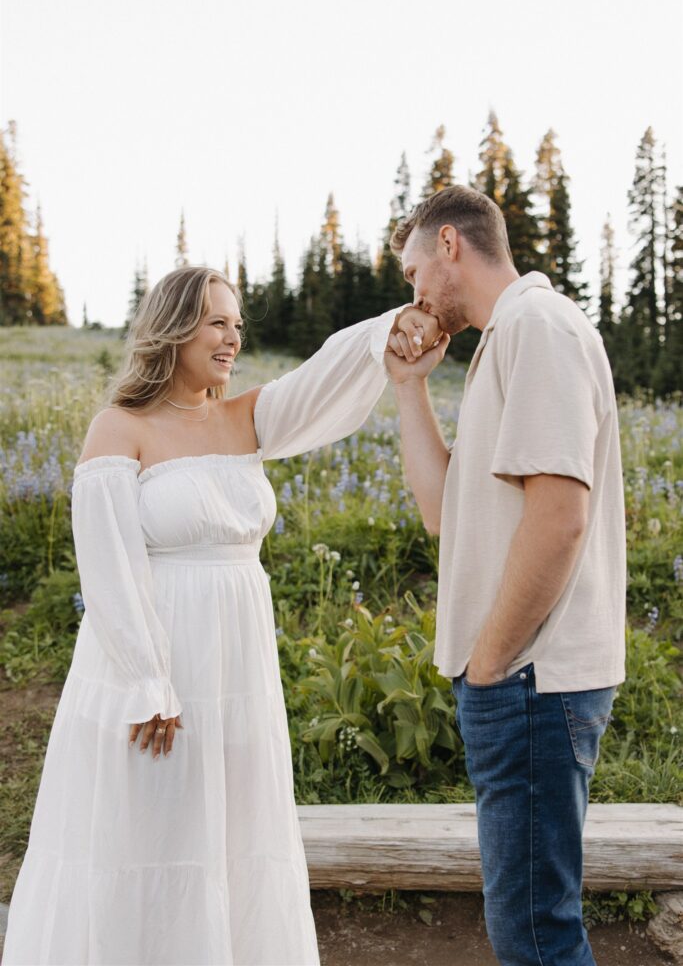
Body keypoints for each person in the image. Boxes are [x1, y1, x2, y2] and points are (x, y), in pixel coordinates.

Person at [3, 265, 440, 966]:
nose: (232, 337)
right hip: (157, 665)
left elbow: (321, 378)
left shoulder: (244, 419)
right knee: (149, 832)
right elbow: (108, 569)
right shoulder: (119, 428)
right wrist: (148, 682)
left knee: (234, 836)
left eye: (237, 324)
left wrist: (391, 327)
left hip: (236, 667)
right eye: (216, 322)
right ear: (173, 329)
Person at [384, 185, 626, 966]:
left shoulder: (537, 328)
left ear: (449, 244)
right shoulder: (508, 337)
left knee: (534, 935)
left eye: (414, 269)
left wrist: (490, 663)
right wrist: (409, 386)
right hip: (519, 677)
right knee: (529, 925)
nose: (414, 293)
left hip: (528, 676)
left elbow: (559, 517)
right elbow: (443, 514)